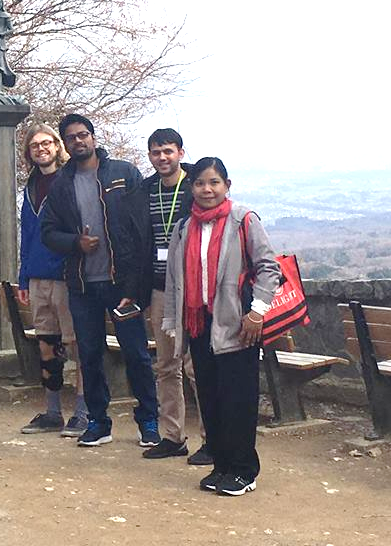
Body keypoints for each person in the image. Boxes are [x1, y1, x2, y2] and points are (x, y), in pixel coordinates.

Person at [40, 114, 159, 448]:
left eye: (83, 135)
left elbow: (143, 229)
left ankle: (149, 421)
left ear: (93, 137)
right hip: (83, 285)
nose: (79, 141)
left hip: (122, 284)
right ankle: (98, 422)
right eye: (71, 137)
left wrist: (136, 285)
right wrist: (75, 243)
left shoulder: (123, 173)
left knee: (136, 354)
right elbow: (48, 232)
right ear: (65, 144)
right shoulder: (61, 185)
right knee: (89, 355)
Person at [164, 157, 281, 496]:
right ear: (192, 187)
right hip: (199, 325)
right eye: (200, 183)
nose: (207, 189)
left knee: (237, 400)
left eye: (214, 182)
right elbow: (174, 277)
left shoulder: (243, 220)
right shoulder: (185, 227)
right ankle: (222, 466)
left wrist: (257, 312)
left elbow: (268, 268)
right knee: (211, 398)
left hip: (238, 324)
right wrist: (173, 320)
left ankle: (243, 470)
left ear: (226, 185)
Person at [115, 129, 211, 465]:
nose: (162, 158)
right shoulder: (143, 193)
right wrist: (131, 292)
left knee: (198, 367)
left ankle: (212, 439)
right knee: (167, 366)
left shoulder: (197, 187)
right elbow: (136, 248)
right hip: (158, 290)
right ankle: (173, 436)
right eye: (156, 153)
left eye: (168, 151)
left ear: (181, 152)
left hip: (194, 289)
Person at [17, 124, 88, 437]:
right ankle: (53, 411)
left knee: (77, 345)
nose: (41, 149)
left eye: (46, 143)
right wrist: (23, 277)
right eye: (35, 145)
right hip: (37, 276)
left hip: (65, 275)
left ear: (58, 146)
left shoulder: (69, 180)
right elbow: (27, 234)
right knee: (47, 346)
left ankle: (84, 412)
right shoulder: (31, 186)